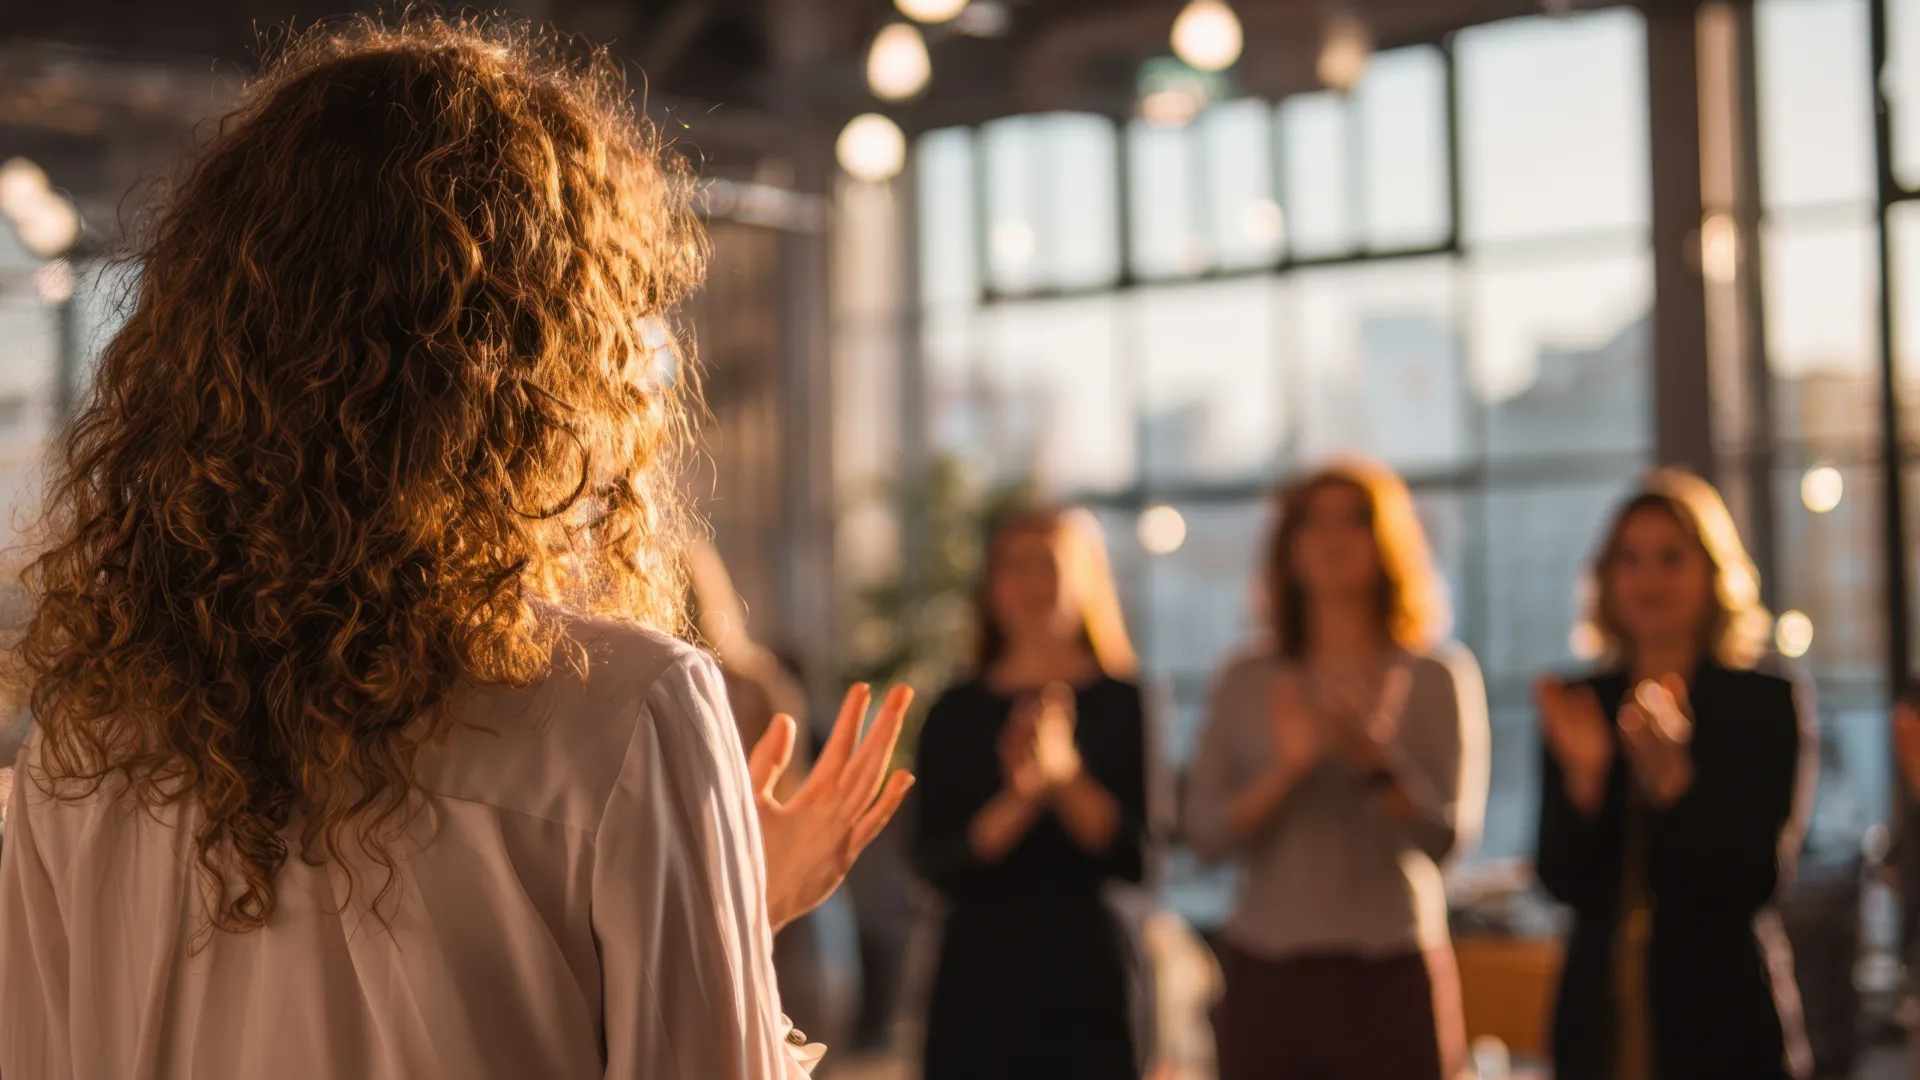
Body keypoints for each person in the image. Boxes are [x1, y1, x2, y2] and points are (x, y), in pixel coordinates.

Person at [0, 18, 914, 1080]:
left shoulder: (83, 742)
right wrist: (728, 924)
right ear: (547, 359)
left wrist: (711, 914)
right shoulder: (625, 714)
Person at [1184, 458, 1489, 1080]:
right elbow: (1205, 836)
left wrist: (1375, 763)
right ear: (1288, 548)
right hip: (1268, 974)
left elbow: (1446, 840)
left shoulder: (1435, 676)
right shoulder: (1246, 680)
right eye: (1312, 522)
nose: (1333, 538)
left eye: (1354, 520)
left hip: (1392, 969)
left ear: (1388, 541)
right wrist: (1290, 770)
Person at [1535, 468, 1814, 1080]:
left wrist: (1674, 782)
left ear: (1713, 574)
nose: (1649, 579)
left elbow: (1755, 880)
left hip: (1722, 1018)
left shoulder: (1763, 702)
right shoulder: (1579, 701)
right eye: (1630, 559)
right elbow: (1559, 879)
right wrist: (1587, 783)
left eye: (1670, 558)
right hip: (1601, 1017)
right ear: (1606, 579)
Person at [909, 506, 1154, 1080]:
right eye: (1014, 565)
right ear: (991, 586)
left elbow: (1140, 855)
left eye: (1048, 563)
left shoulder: (1127, 702)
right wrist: (1020, 799)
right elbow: (932, 862)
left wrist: (1065, 778)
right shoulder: (953, 711)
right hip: (980, 980)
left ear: (1087, 578)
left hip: (1093, 980)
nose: (1031, 582)